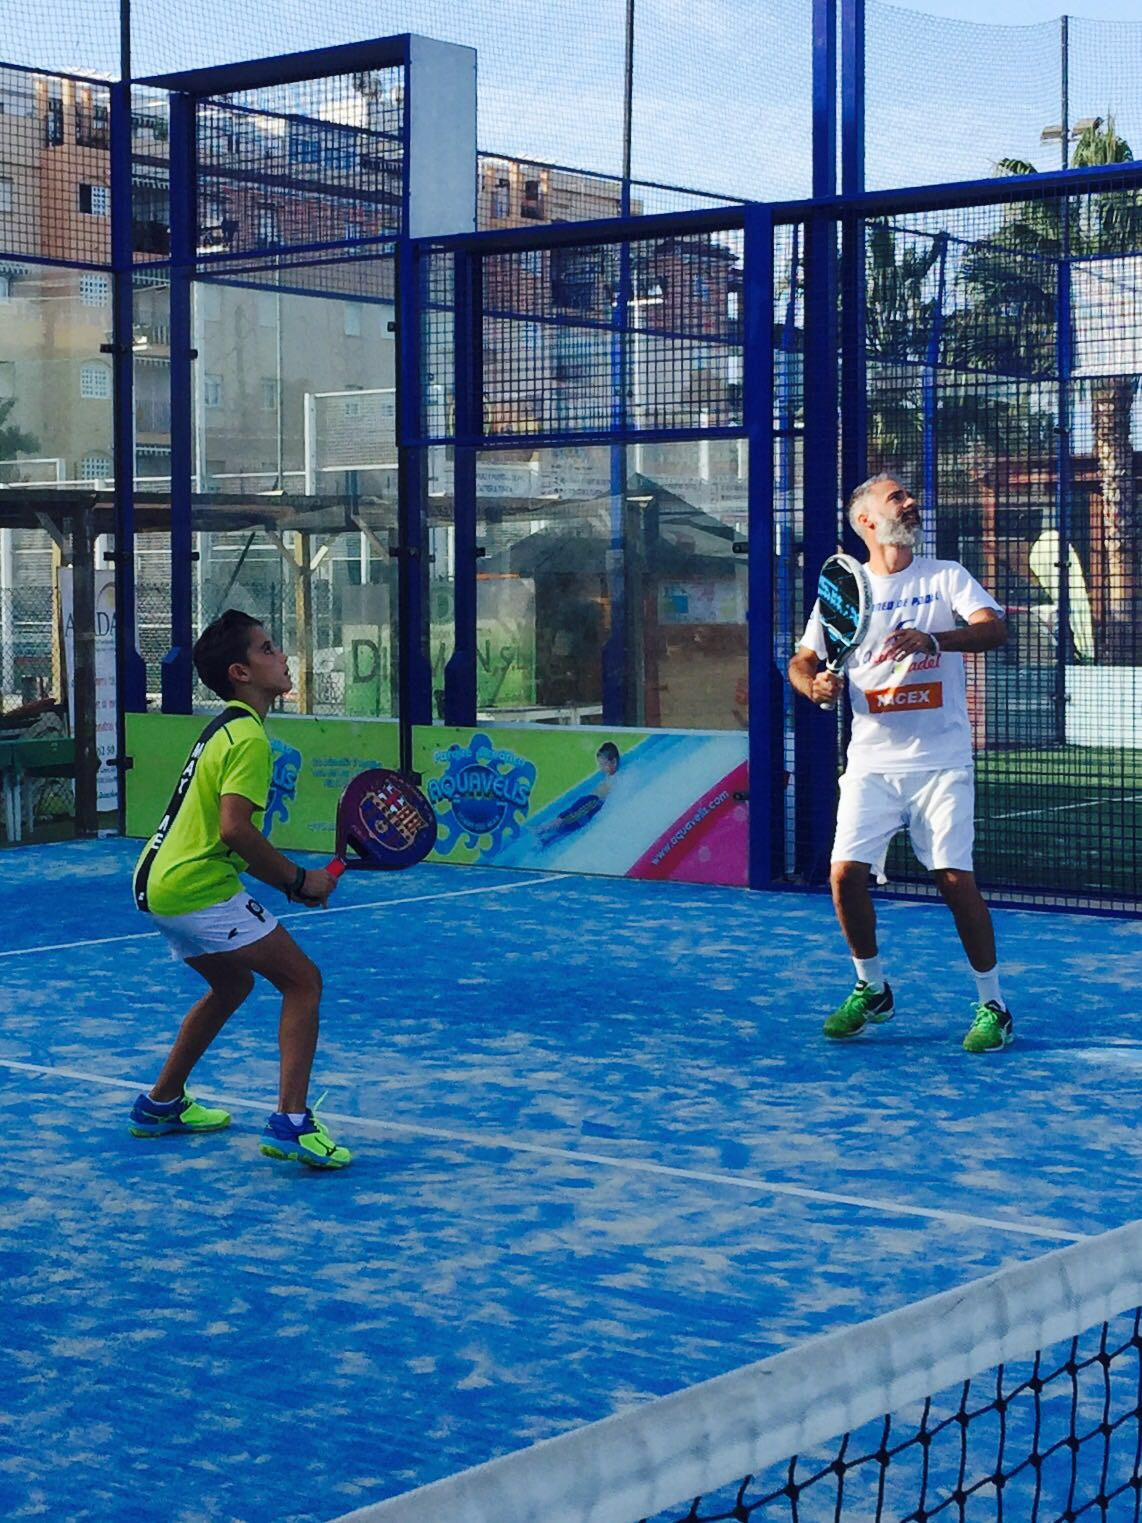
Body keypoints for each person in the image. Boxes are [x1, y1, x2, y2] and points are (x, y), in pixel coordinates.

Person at [787, 474, 1014, 1054]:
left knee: (954, 879)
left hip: (942, 762)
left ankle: (993, 1004)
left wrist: (934, 639)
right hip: (871, 762)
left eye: (909, 495)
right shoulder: (844, 591)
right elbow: (803, 660)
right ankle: (872, 989)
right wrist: (814, 685)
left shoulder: (944, 576)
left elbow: (994, 628)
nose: (911, 503)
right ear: (866, 520)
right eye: (897, 498)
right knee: (844, 875)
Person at [128, 609, 351, 1167]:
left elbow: (219, 834)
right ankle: (291, 1123)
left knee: (232, 985)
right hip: (196, 888)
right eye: (268, 649)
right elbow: (234, 829)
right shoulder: (249, 737)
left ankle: (160, 1104)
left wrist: (291, 885)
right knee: (303, 982)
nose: (282, 656)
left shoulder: (224, 728)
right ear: (241, 673)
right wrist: (298, 880)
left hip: (157, 882)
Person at [532, 741, 620, 846]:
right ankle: (546, 835)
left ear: (614, 762)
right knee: (570, 818)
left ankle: (544, 829)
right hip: (589, 801)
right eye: (600, 764)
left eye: (603, 764)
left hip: (592, 802)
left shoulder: (616, 779)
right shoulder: (609, 775)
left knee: (568, 818)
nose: (601, 768)